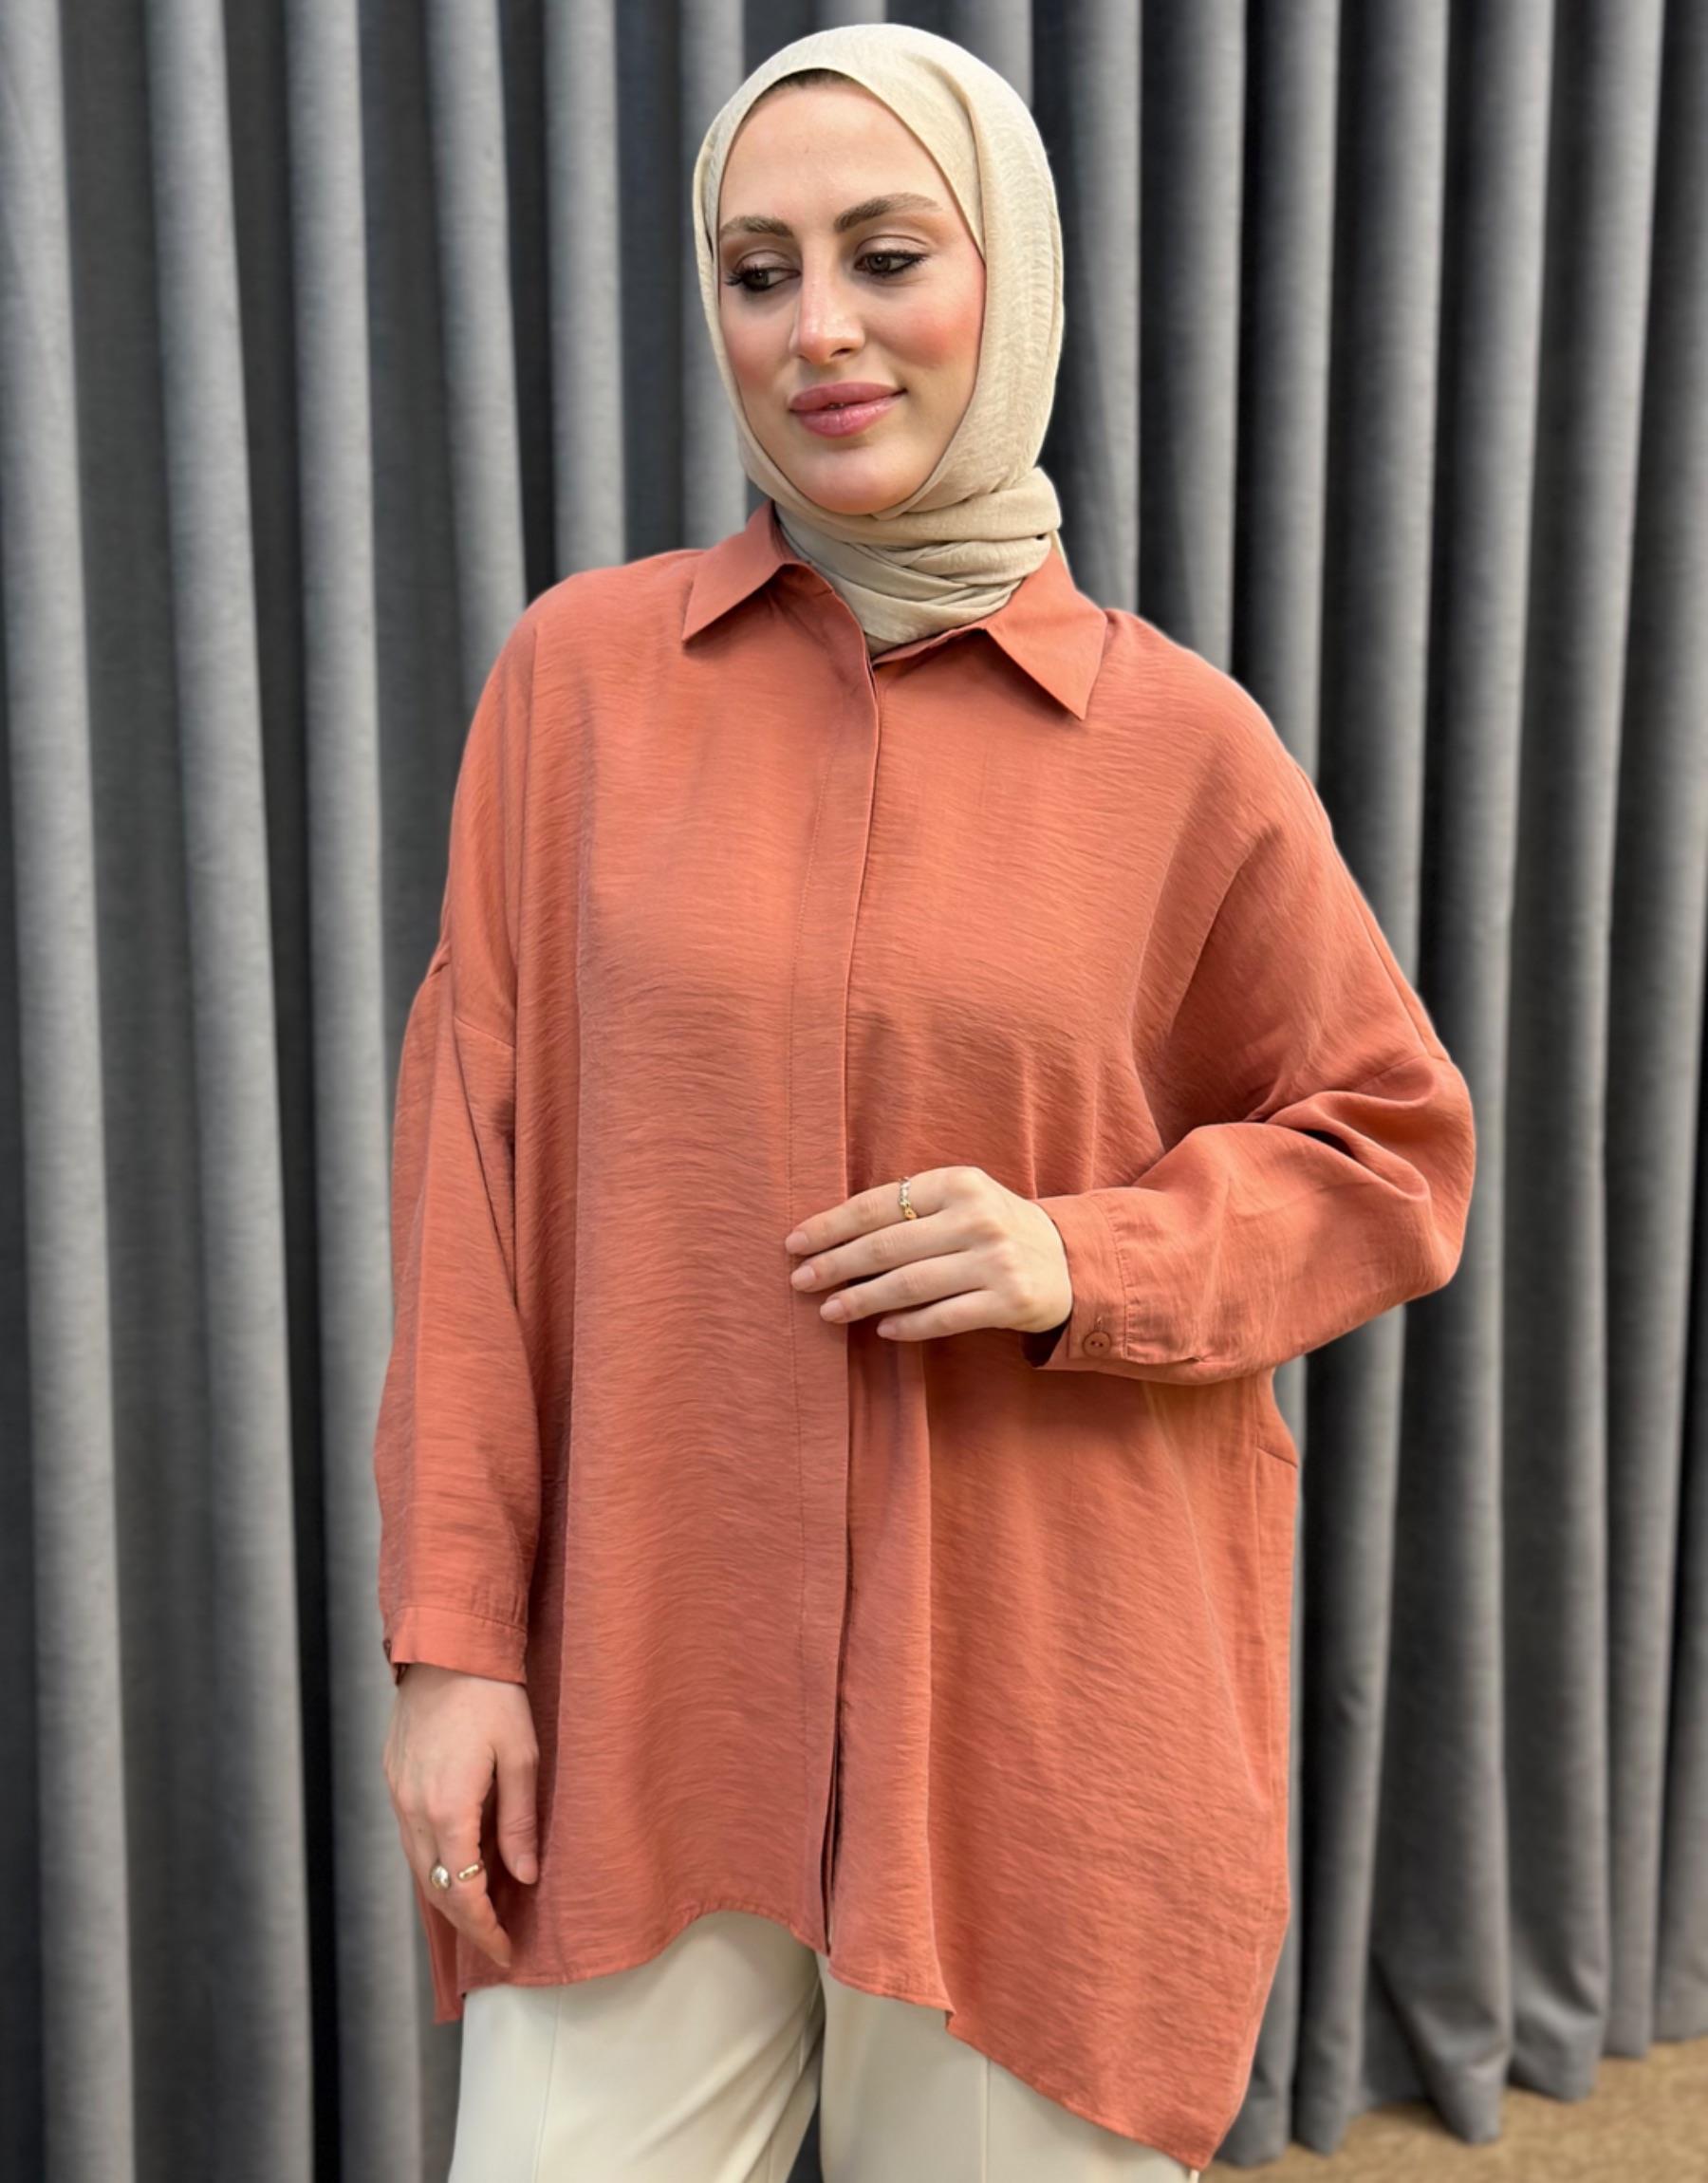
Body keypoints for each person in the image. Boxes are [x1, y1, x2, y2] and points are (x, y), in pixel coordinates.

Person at [375, 23, 1476, 2183]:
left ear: (1014, 279)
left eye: (887, 255)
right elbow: (468, 1187)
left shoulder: (1179, 747)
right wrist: (455, 1646)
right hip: (647, 1689)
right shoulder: (580, 685)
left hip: (1038, 1718)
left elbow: (1391, 1149)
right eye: (758, 272)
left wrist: (1086, 1254)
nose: (820, 329)